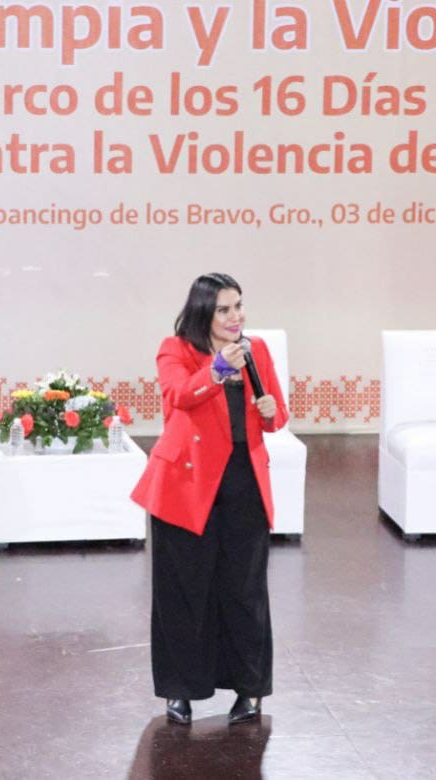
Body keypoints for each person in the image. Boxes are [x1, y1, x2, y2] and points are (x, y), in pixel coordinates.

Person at [130, 272, 289, 726]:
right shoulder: (176, 349)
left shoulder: (257, 350)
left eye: (239, 306)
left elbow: (276, 413)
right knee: (183, 590)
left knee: (245, 590)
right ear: (204, 313)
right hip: (187, 484)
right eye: (224, 309)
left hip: (244, 482)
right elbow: (178, 396)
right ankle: (179, 691)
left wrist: (272, 413)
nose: (236, 317)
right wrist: (218, 368)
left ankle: (250, 691)